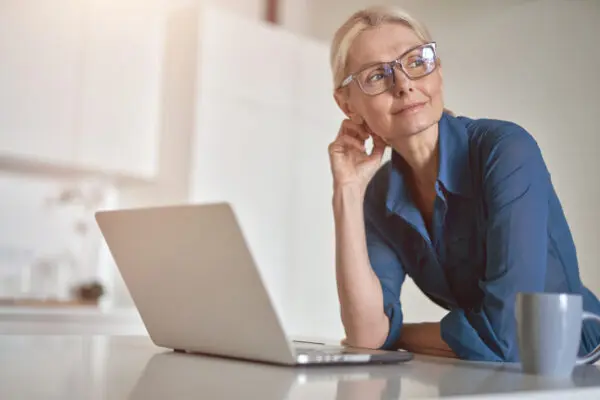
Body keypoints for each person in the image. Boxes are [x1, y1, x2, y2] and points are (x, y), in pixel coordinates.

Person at [327, 5, 600, 362]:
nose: (405, 84)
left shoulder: (505, 151)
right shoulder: (379, 196)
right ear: (347, 103)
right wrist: (346, 190)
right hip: (488, 372)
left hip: (580, 363)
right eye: (377, 76)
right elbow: (365, 335)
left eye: (416, 61)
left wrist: (399, 334)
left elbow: (511, 337)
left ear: (438, 70)